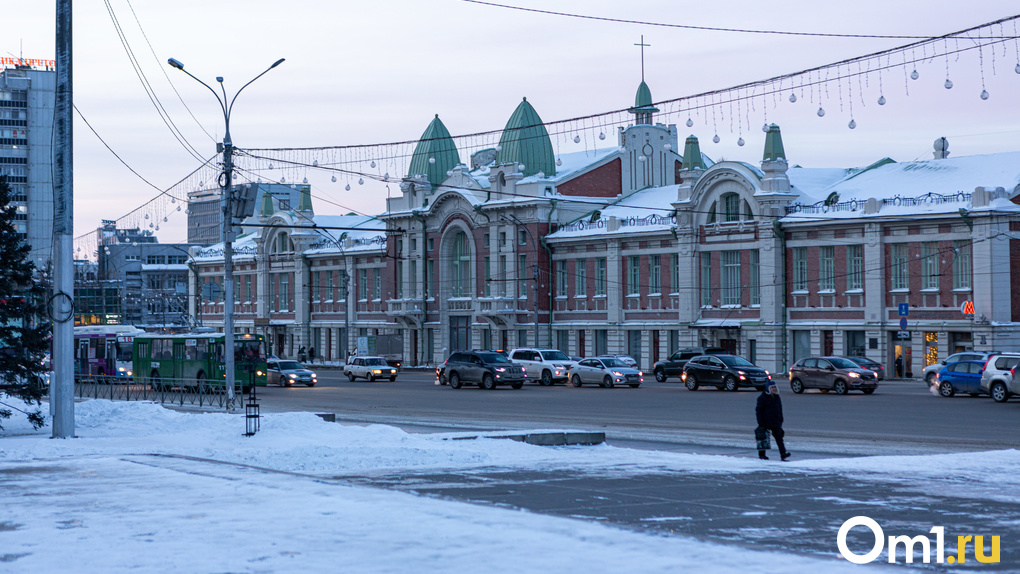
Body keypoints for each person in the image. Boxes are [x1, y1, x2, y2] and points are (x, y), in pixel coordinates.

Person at [756, 380, 790, 461]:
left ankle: (783, 453)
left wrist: (781, 419)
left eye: (775, 387)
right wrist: (760, 423)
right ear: (768, 388)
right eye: (772, 387)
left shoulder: (776, 397)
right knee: (763, 438)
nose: (774, 389)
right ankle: (762, 455)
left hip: (775, 422)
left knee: (779, 438)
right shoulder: (762, 398)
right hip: (765, 422)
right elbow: (759, 411)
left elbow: (779, 409)